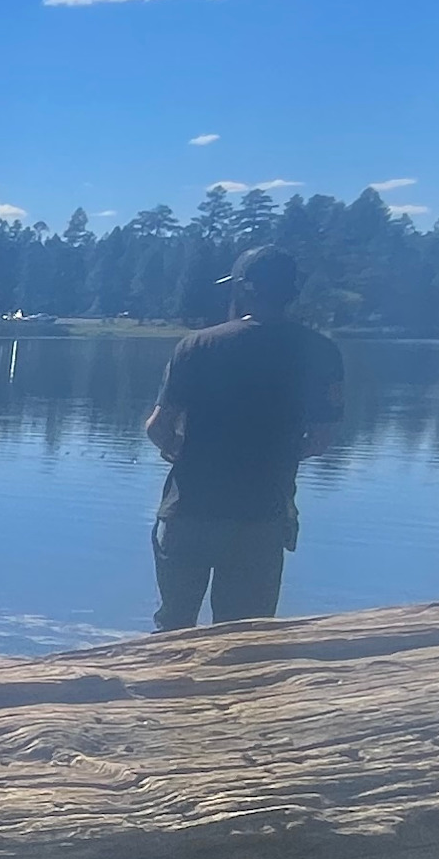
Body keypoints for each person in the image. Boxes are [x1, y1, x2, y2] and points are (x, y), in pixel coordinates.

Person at [144, 245, 343, 629]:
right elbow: (321, 439)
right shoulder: (321, 351)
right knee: (247, 637)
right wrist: (276, 458)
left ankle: (166, 687)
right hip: (262, 517)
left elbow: (157, 427)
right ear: (291, 293)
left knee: (173, 630)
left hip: (190, 511)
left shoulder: (198, 346)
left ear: (243, 290)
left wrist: (176, 449)